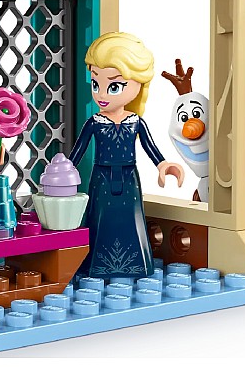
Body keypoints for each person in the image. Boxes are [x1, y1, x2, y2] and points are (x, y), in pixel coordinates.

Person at [68, 32, 184, 279]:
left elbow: (150, 148)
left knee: (132, 218)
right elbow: (76, 154)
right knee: (99, 218)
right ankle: (95, 266)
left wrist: (163, 165)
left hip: (130, 178)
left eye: (114, 86)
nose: (101, 94)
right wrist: (61, 173)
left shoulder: (135, 122)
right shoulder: (94, 122)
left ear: (138, 85)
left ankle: (135, 265)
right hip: (101, 178)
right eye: (95, 84)